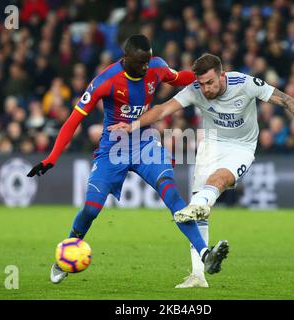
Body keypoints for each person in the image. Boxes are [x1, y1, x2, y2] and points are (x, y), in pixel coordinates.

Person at [27, 36, 229, 285]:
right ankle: (65, 257)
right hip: (113, 149)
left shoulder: (157, 67)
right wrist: (52, 157)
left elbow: (181, 78)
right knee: (91, 209)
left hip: (145, 143)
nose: (146, 67)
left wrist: (217, 77)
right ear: (127, 59)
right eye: (141, 62)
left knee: (172, 194)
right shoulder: (105, 81)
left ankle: (205, 254)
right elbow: (73, 120)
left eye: (148, 60)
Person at [109, 53, 294, 288]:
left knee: (217, 181)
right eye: (201, 84)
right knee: (200, 209)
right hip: (210, 144)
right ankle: (198, 275)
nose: (206, 89)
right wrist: (132, 125)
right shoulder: (195, 90)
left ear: (221, 75)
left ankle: (201, 203)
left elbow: (286, 99)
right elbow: (163, 110)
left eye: (210, 82)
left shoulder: (245, 84)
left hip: (242, 147)